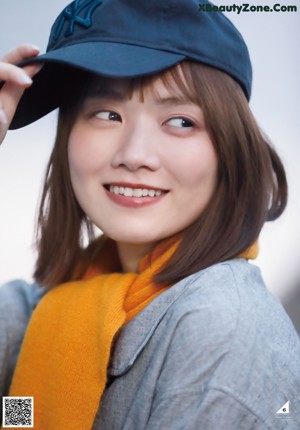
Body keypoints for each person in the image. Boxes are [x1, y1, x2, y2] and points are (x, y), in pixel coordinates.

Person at [0, 0, 299, 429]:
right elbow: (17, 416)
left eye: (179, 121)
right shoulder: (44, 313)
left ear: (231, 148)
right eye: (107, 114)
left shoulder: (221, 329)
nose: (134, 155)